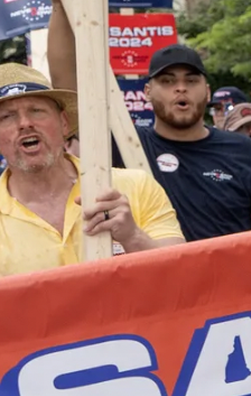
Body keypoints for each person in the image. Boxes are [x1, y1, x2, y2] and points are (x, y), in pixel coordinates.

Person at [0, 65, 182, 274]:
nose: (25, 123)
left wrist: (132, 237)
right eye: (7, 116)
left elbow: (182, 275)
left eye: (36, 111)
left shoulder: (136, 186)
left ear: (64, 123)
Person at [133, 45, 251, 240]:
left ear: (207, 92)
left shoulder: (243, 150)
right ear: (147, 92)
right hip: (153, 270)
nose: (181, 88)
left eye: (191, 80)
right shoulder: (128, 146)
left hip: (232, 269)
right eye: (167, 81)